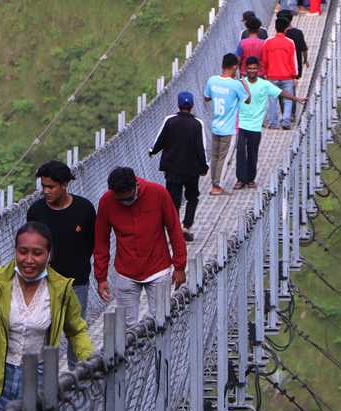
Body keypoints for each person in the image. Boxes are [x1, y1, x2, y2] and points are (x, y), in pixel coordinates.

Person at [0, 224, 94, 411]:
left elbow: (76, 330)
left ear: (49, 255)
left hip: (39, 379)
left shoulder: (59, 289)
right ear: (15, 251)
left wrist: (90, 360)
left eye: (37, 253)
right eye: (23, 252)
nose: (29, 260)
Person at [94, 167, 187, 325]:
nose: (125, 203)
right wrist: (101, 277)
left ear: (136, 186)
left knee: (161, 320)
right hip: (125, 271)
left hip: (158, 268)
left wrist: (179, 266)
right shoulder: (106, 202)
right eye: (120, 200)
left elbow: (174, 229)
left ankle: (160, 350)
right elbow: (101, 241)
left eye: (128, 198)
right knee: (126, 327)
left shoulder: (158, 193)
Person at [26, 161, 97, 314]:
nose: (46, 191)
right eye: (43, 186)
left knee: (76, 330)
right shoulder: (36, 212)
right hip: (44, 282)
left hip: (77, 281)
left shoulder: (84, 209)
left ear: (64, 185)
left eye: (50, 187)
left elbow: (91, 242)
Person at [234, 58, 303, 188]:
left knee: (253, 153)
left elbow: (280, 93)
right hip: (242, 124)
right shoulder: (240, 84)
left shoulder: (264, 85)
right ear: (245, 69)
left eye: (254, 68)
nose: (252, 71)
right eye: (249, 68)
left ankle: (250, 179)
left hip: (255, 126)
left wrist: (296, 98)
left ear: (258, 70)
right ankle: (240, 179)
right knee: (241, 152)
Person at [149, 91, 210, 241]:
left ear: (178, 104)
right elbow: (201, 147)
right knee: (192, 197)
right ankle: (186, 226)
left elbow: (160, 140)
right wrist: (204, 166)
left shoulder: (170, 120)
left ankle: (174, 229)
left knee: (172, 200)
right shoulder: (197, 123)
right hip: (192, 170)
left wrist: (153, 151)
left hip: (173, 168)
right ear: (192, 106)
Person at [203, 52, 248, 197]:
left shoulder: (212, 80)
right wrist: (243, 83)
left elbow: (207, 97)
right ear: (234, 67)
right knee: (225, 158)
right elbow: (247, 100)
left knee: (215, 157)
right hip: (229, 128)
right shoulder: (235, 84)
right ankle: (218, 187)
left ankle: (214, 182)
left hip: (216, 125)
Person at [263, 22, 299, 130]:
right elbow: (293, 60)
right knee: (288, 99)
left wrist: (265, 72)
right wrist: (295, 75)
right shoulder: (290, 42)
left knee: (272, 99)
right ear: (286, 29)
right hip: (287, 76)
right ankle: (286, 121)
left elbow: (264, 60)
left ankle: (273, 123)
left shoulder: (268, 42)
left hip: (272, 75)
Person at [276, 10, 309, 80]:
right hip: (296, 64)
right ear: (291, 19)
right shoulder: (298, 33)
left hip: (282, 66)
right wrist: (305, 60)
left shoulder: (278, 36)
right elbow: (304, 49)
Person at [238, 11, 267, 76]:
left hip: (245, 71)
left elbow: (239, 56)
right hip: (260, 72)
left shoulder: (243, 34)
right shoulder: (264, 31)